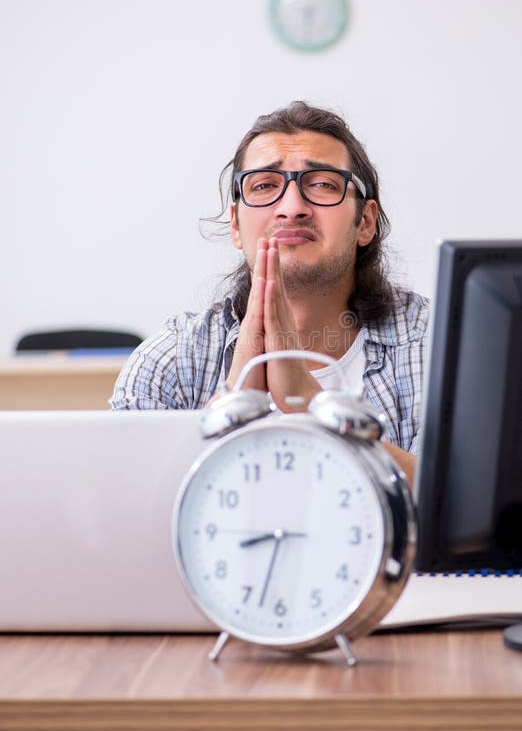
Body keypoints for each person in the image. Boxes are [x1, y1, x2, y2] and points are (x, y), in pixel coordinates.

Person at [110, 101, 429, 484]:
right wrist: (235, 397)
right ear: (236, 226)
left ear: (365, 222)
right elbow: (128, 506)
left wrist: (311, 405)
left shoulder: (437, 344)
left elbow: (466, 510)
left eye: (323, 184)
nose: (292, 208)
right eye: (264, 186)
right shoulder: (175, 358)